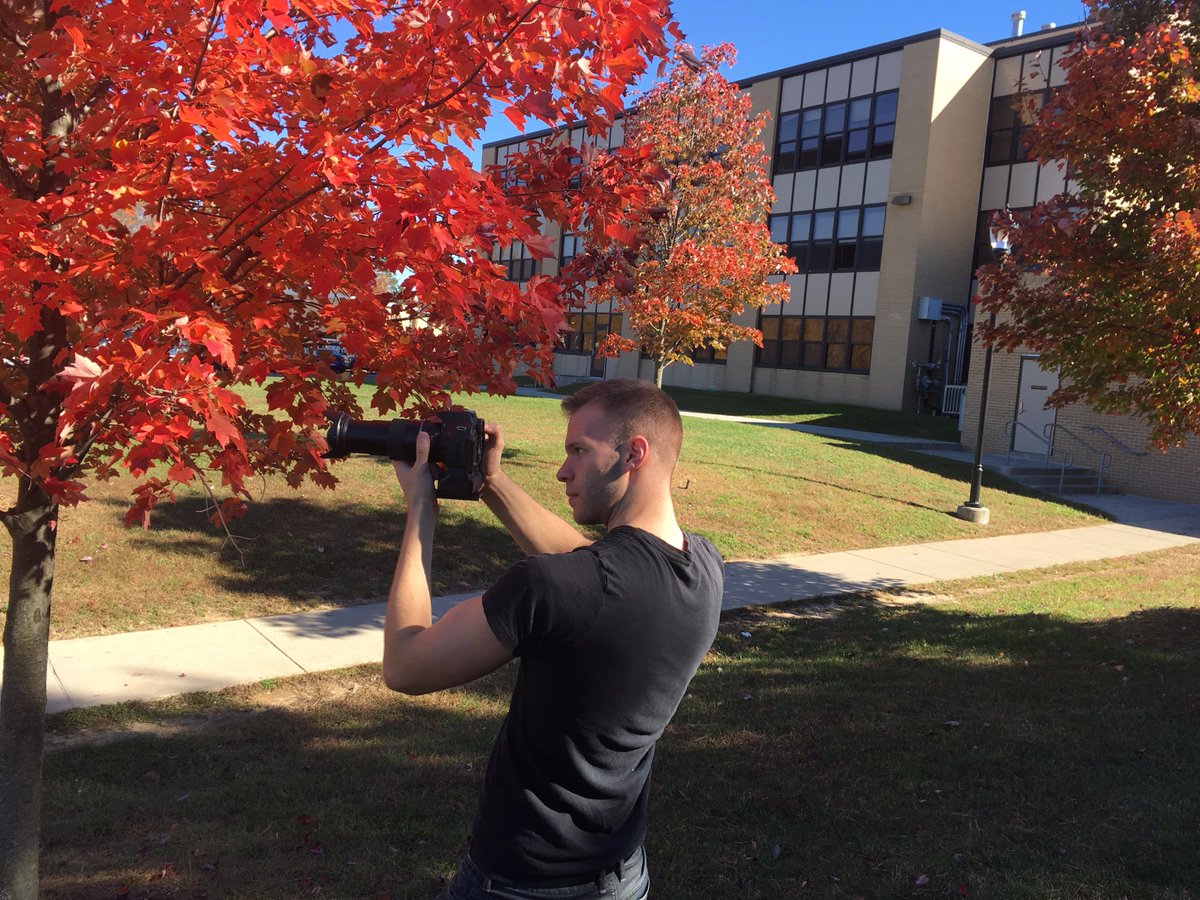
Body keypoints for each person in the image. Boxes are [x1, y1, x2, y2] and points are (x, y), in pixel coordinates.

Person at [384, 378, 724, 900]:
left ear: (634, 454)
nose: (563, 471)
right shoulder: (703, 565)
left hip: (520, 883)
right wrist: (489, 482)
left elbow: (406, 666)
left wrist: (420, 511)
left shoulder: (552, 587)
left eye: (579, 451)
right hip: (620, 874)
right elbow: (590, 562)